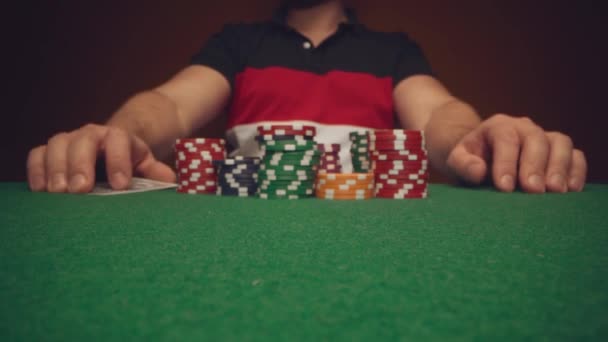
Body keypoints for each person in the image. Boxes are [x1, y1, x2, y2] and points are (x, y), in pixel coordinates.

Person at [26, 0, 587, 194]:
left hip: (373, 241)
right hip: (242, 238)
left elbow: (439, 114)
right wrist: (120, 134)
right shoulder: (239, 42)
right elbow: (169, 106)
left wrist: (477, 139)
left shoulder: (393, 50)